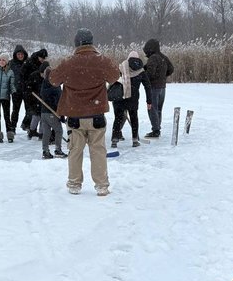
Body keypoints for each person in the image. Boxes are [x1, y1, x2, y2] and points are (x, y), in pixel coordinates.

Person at [49, 28, 119, 196]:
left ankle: (74, 184)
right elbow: (115, 76)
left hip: (75, 115)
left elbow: (53, 80)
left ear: (77, 43)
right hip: (96, 115)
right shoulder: (101, 60)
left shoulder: (69, 62)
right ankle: (102, 185)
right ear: (91, 42)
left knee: (75, 151)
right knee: (98, 151)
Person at [110, 50, 152, 148]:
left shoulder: (121, 67)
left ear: (128, 59)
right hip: (133, 99)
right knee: (134, 118)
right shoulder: (141, 71)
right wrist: (149, 101)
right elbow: (147, 86)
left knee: (118, 118)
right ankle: (135, 140)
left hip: (120, 98)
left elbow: (112, 80)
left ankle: (114, 140)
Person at [142, 38, 174, 138]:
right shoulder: (163, 57)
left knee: (152, 109)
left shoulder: (153, 58)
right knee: (158, 109)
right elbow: (171, 69)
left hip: (154, 88)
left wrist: (144, 78)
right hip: (162, 88)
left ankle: (155, 130)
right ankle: (157, 128)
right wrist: (163, 76)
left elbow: (150, 73)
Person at [37, 62, 67, 159]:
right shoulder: (55, 86)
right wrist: (61, 115)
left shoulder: (44, 84)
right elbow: (57, 101)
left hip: (43, 112)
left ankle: (45, 151)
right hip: (51, 112)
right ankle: (58, 149)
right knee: (58, 130)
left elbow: (45, 95)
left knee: (46, 132)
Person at [21, 48, 49, 136]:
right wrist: (27, 88)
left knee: (38, 113)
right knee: (33, 112)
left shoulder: (42, 66)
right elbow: (23, 76)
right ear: (38, 56)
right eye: (42, 58)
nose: (43, 60)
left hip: (39, 93)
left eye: (44, 58)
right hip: (30, 92)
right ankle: (29, 127)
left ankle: (36, 130)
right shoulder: (30, 63)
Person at [10, 44, 28, 131]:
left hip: (27, 90)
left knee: (29, 110)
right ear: (15, 55)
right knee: (15, 110)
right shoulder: (11, 63)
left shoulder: (28, 62)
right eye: (18, 54)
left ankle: (26, 125)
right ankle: (12, 127)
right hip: (16, 91)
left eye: (22, 54)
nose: (20, 56)